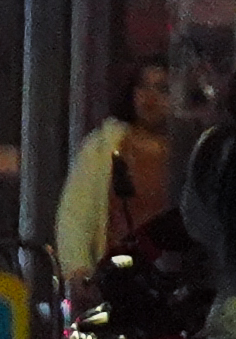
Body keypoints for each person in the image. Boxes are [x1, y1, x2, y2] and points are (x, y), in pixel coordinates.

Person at [53, 50, 179, 281]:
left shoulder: (188, 152)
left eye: (163, 89)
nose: (149, 98)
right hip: (118, 276)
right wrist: (78, 268)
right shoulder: (104, 147)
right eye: (143, 87)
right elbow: (77, 213)